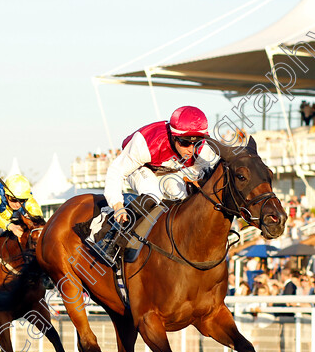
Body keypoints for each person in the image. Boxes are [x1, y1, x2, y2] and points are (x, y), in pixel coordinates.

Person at [90, 106, 219, 264]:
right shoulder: (146, 142)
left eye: (196, 143)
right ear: (173, 136)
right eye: (185, 143)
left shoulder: (202, 150)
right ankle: (113, 239)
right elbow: (116, 172)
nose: (191, 150)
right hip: (142, 167)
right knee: (153, 194)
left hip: (169, 171)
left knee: (182, 197)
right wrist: (117, 206)